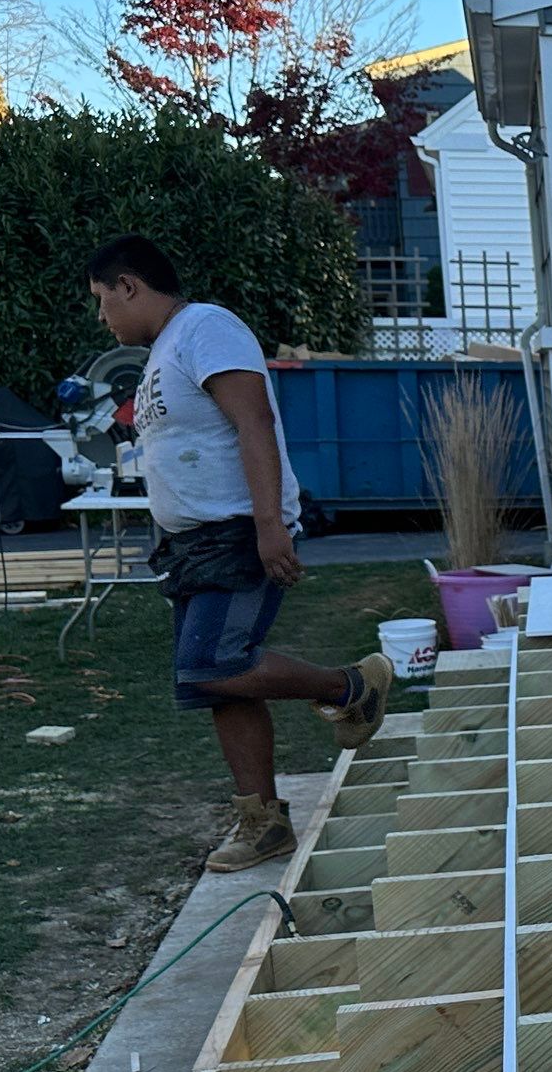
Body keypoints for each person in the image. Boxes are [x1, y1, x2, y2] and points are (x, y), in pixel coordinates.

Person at [88, 235, 394, 872]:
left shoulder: (206, 326)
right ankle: (264, 824)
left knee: (208, 665)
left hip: (235, 533)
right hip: (192, 544)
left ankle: (352, 684)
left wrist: (268, 526)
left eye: (102, 300)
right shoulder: (162, 355)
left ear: (128, 286)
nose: (102, 317)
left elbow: (253, 422)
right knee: (220, 687)